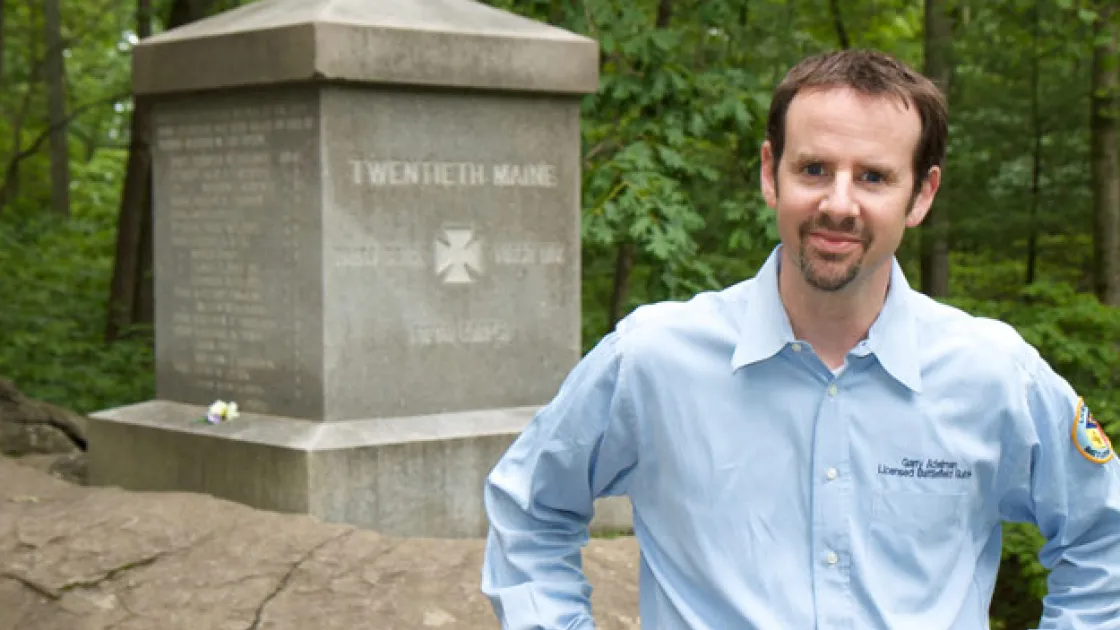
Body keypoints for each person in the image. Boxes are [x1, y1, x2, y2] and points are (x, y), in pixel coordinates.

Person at [480, 49, 1120, 629]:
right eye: (814, 169)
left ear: (921, 194)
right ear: (770, 173)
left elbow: (1104, 536)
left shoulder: (993, 375)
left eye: (873, 177)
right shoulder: (651, 361)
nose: (839, 204)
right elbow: (529, 509)